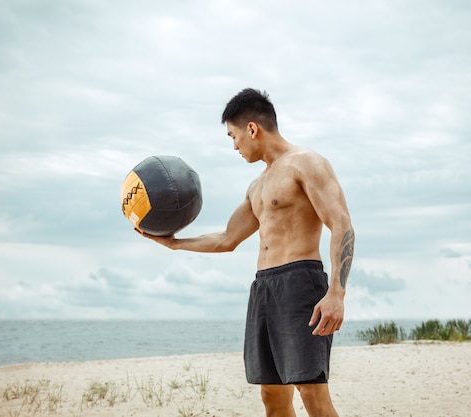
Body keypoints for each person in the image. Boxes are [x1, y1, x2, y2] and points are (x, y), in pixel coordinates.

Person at [138, 88, 354, 417]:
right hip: (264, 288)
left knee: (311, 390)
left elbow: (341, 224)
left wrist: (336, 292)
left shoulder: (306, 163)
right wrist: (173, 243)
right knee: (272, 394)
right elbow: (227, 238)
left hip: (301, 283)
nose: (234, 146)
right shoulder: (257, 185)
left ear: (252, 129)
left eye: (233, 136)